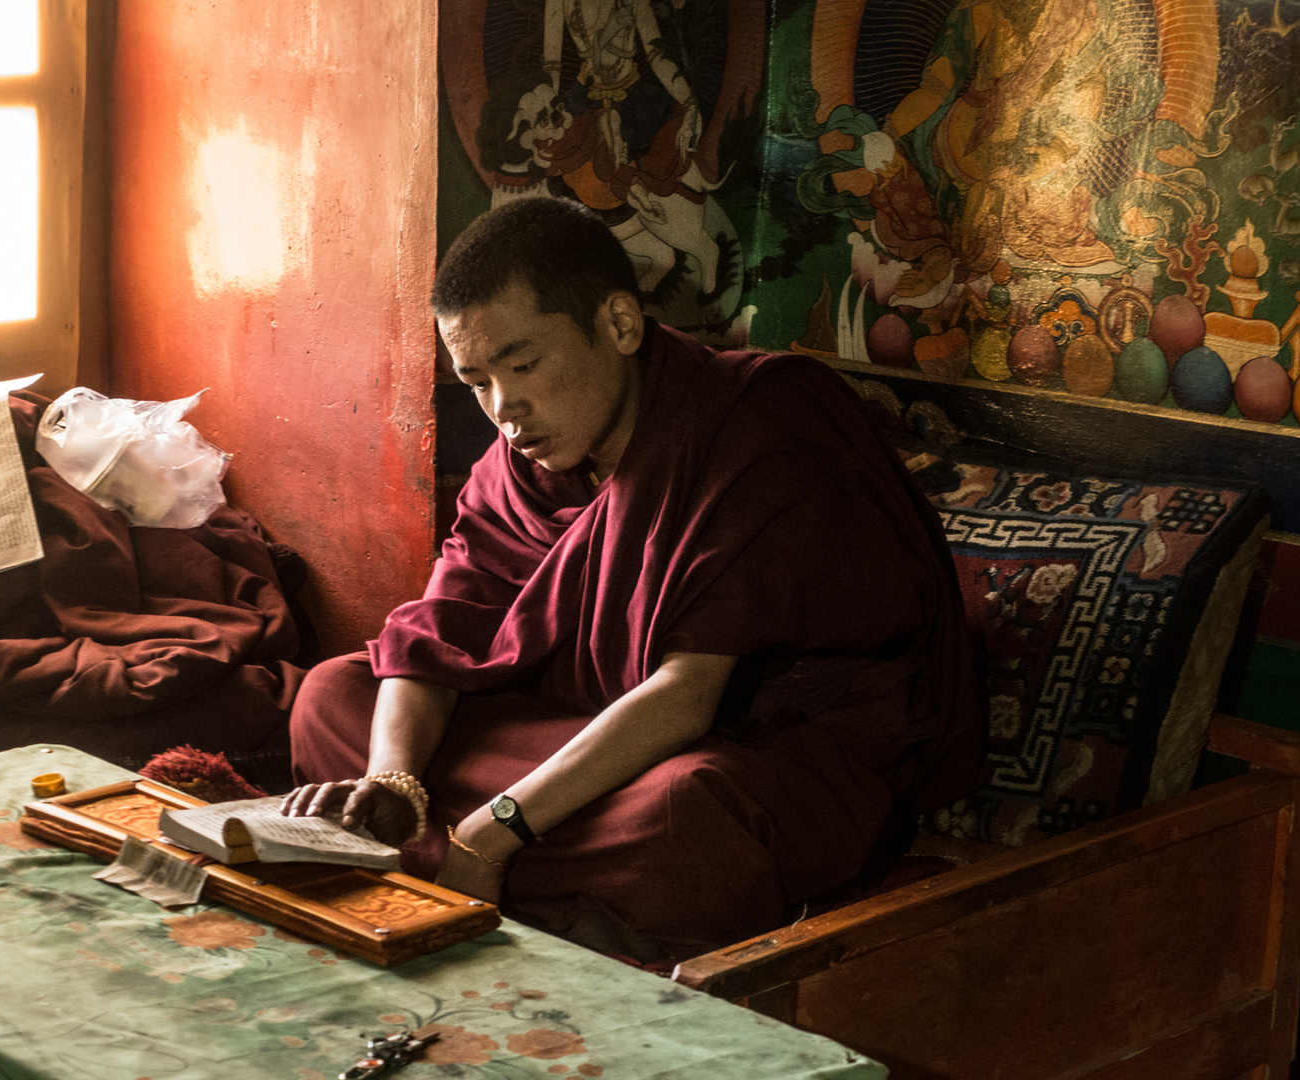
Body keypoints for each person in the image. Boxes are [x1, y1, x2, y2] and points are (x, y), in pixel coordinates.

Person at [283, 196, 985, 962]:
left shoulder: (758, 423)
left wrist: (492, 834)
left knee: (689, 814)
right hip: (587, 728)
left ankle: (491, 865)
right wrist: (394, 784)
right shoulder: (523, 465)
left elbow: (688, 697)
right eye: (476, 380)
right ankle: (529, 875)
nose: (504, 410)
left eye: (522, 366)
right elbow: (444, 628)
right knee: (333, 698)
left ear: (619, 325)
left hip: (752, 749)